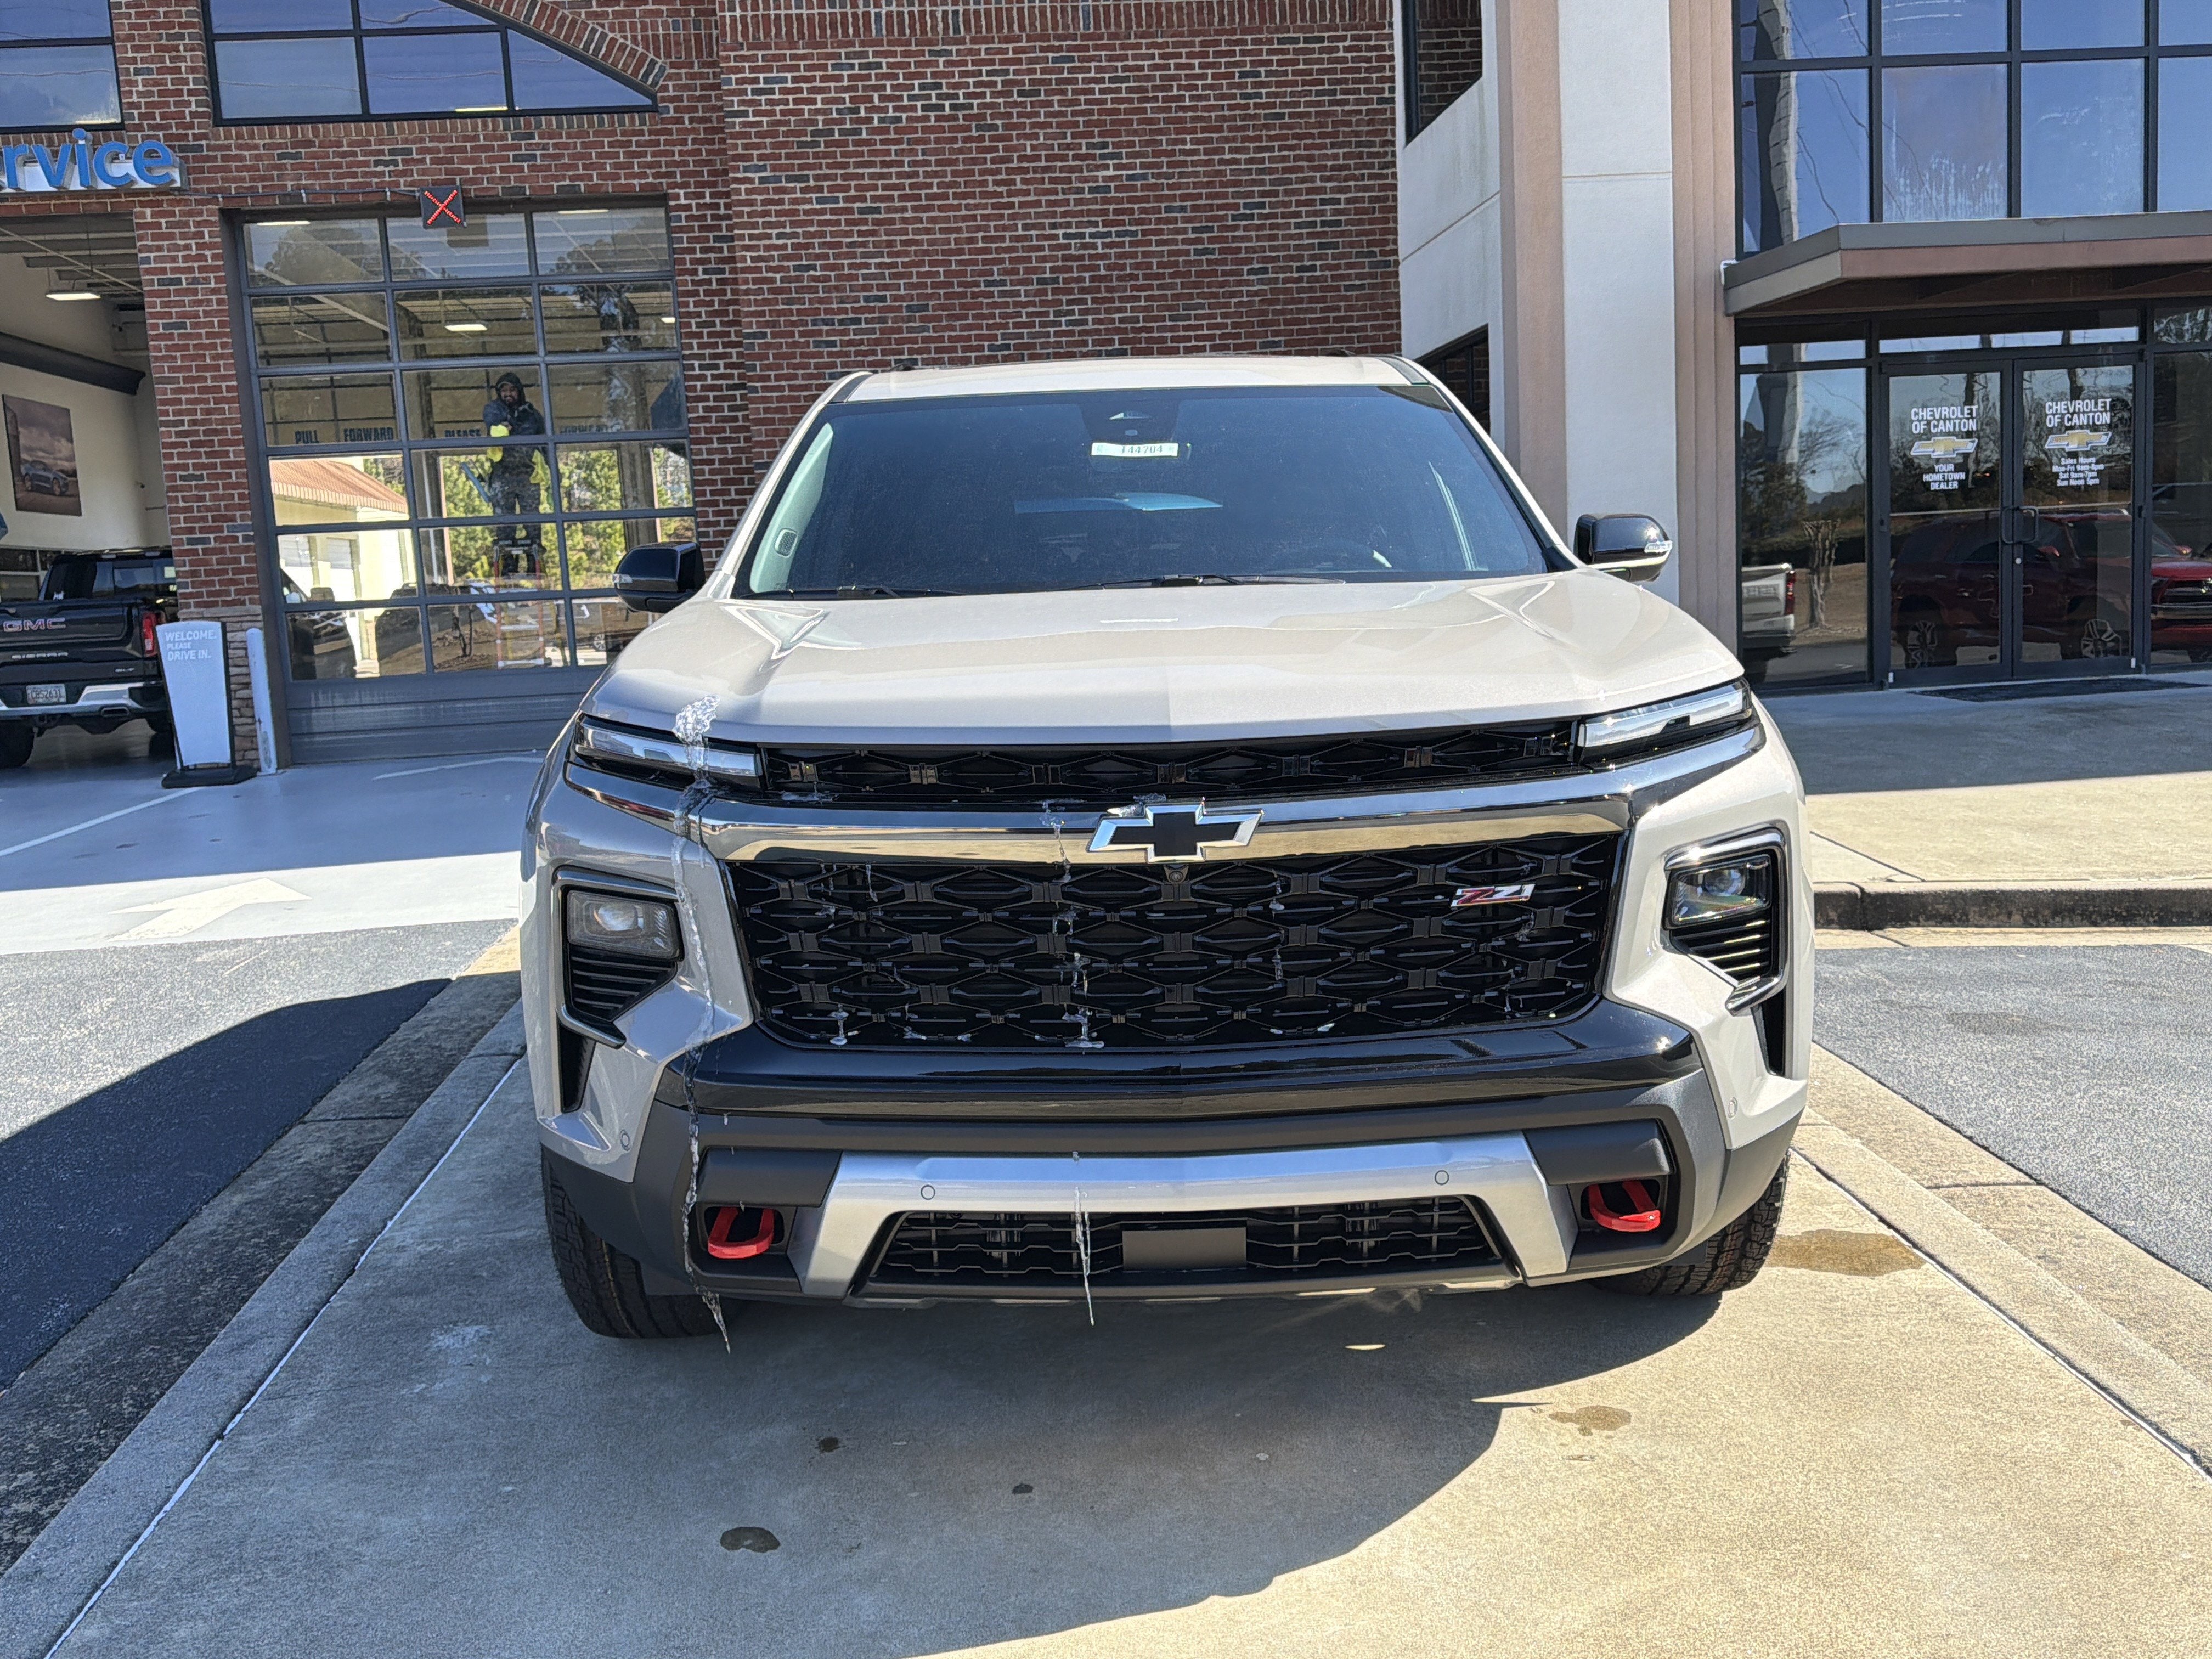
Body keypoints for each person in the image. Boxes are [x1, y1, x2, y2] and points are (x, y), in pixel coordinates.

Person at [481, 372, 546, 576]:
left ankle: (533, 562)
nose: (508, 394)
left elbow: (546, 443)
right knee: (504, 523)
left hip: (528, 476)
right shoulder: (494, 409)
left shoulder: (533, 415)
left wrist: (554, 472)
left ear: (520, 392)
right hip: (503, 476)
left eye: (512, 390)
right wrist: (506, 424)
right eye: (504, 390)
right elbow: (495, 425)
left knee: (532, 521)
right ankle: (508, 565)